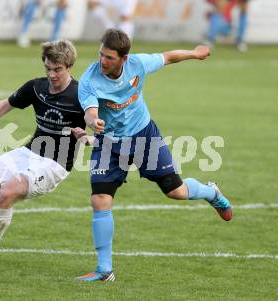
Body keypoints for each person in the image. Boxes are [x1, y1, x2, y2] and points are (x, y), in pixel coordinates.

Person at [76, 29, 233, 282]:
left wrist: (195, 53)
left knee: (176, 191)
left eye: (109, 58)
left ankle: (212, 193)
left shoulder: (138, 63)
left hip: (143, 136)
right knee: (100, 199)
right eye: (101, 55)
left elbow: (168, 57)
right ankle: (104, 270)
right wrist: (93, 121)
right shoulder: (89, 79)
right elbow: (90, 111)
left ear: (123, 59)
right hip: (109, 143)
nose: (102, 61)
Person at [0, 40, 87, 268]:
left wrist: (88, 136)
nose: (52, 74)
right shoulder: (36, 87)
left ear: (69, 66)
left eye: (57, 69)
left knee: (7, 192)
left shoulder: (81, 95)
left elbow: (98, 123)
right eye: (48, 68)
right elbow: (6, 104)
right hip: (29, 152)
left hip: (55, 164)